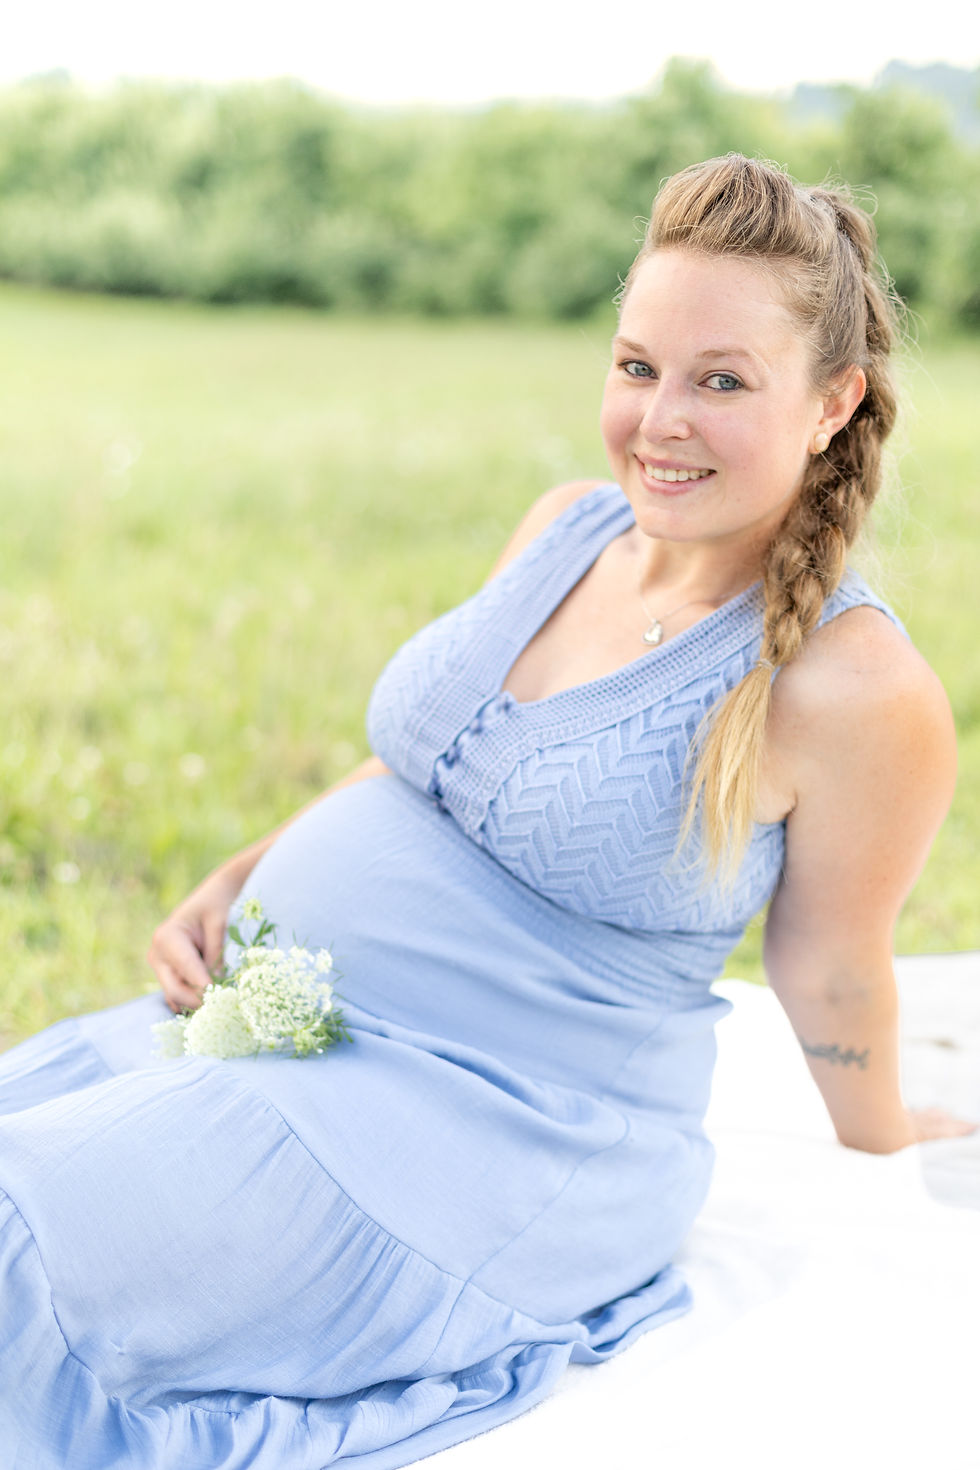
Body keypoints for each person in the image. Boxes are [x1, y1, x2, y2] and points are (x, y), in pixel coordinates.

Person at [0, 154, 973, 1469]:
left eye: (722, 380)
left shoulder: (854, 688)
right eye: (638, 367)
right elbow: (429, 763)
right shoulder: (567, 525)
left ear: (833, 401)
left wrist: (883, 1133)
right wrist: (251, 865)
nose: (660, 418)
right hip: (289, 1031)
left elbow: (832, 963)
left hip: (474, 1134)